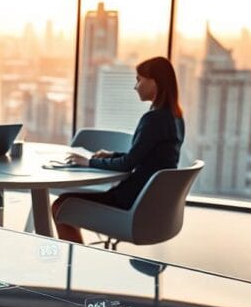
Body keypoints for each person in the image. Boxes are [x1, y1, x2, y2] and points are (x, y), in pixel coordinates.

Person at [52, 56, 186, 243]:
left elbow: (128, 165)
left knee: (61, 205)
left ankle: (78, 263)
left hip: (130, 204)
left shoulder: (154, 120)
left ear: (154, 82)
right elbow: (148, 157)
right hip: (151, 205)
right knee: (66, 202)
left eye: (139, 80)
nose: (135, 86)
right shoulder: (175, 118)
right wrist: (112, 155)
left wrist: (89, 161)